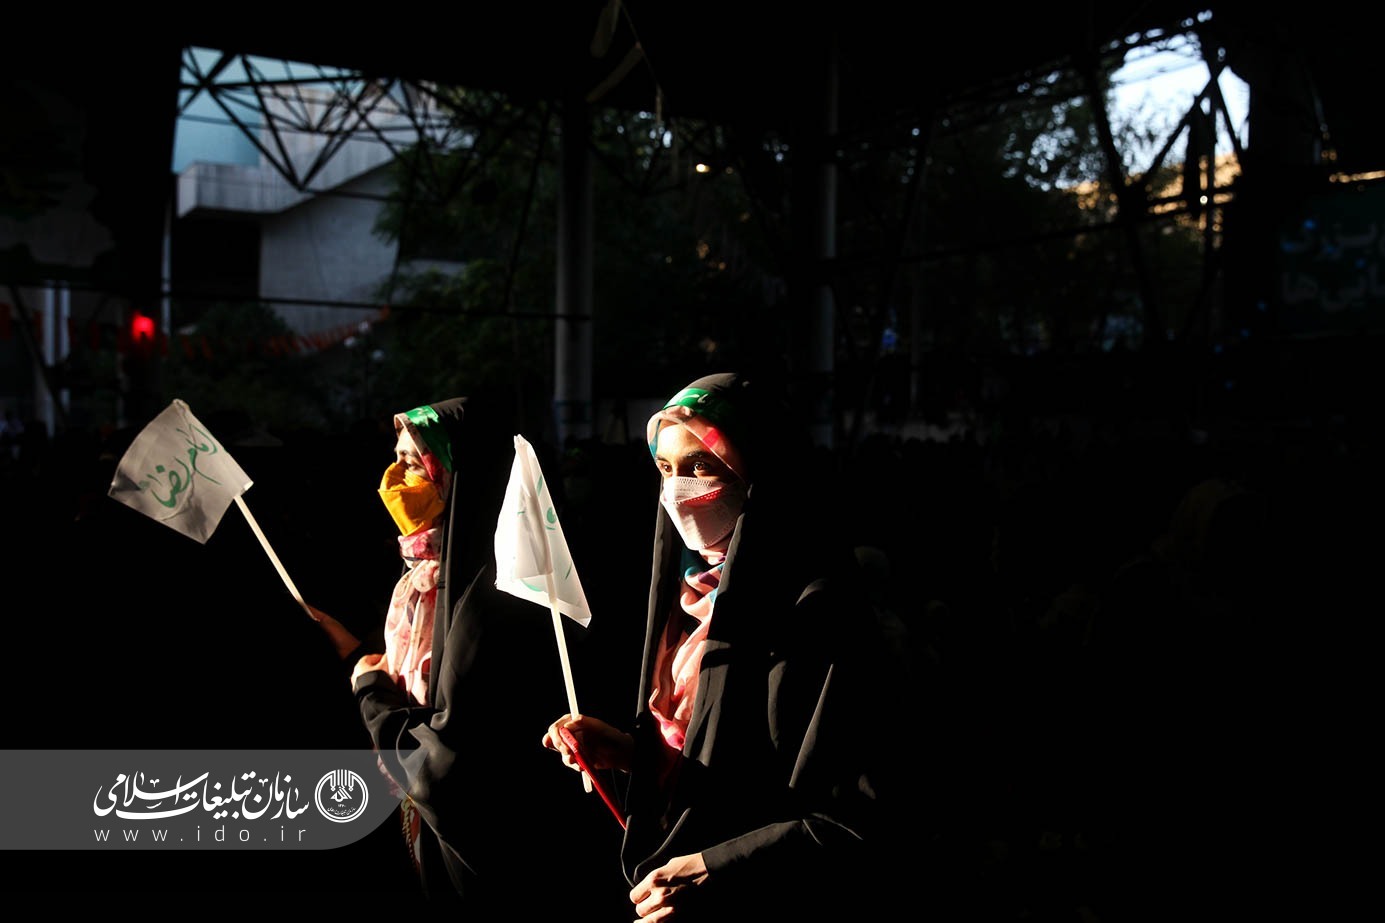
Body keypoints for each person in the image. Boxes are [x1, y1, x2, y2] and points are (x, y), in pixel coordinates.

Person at [542, 371, 909, 918]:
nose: (677, 491)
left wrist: (716, 868)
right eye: (665, 469)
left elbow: (857, 816)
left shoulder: (819, 612)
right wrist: (628, 753)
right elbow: (722, 762)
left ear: (760, 471)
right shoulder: (685, 600)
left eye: (701, 466)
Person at [317, 396, 626, 911]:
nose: (394, 478)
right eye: (396, 458)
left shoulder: (497, 597)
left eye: (414, 463)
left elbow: (447, 767)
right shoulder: (424, 579)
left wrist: (370, 692)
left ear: (459, 473)